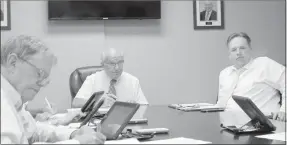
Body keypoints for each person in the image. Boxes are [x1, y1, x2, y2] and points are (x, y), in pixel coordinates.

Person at [1, 35, 106, 144]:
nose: (42, 84)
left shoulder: (14, 100)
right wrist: (77, 142)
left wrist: (73, 134)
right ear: (12, 63)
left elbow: (34, 132)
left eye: (45, 78)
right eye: (39, 74)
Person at [216, 32, 286, 122]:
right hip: (230, 125)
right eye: (234, 50)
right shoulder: (224, 73)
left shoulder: (264, 64)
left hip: (262, 123)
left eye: (242, 48)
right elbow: (221, 104)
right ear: (229, 55)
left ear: (250, 49)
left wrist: (284, 111)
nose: (238, 52)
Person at [72, 48, 148, 108]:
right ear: (103, 64)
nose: (117, 68)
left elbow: (144, 106)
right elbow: (75, 103)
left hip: (126, 123)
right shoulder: (92, 79)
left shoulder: (133, 81)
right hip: (98, 122)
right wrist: (98, 102)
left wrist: (135, 106)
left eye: (120, 62)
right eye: (112, 63)